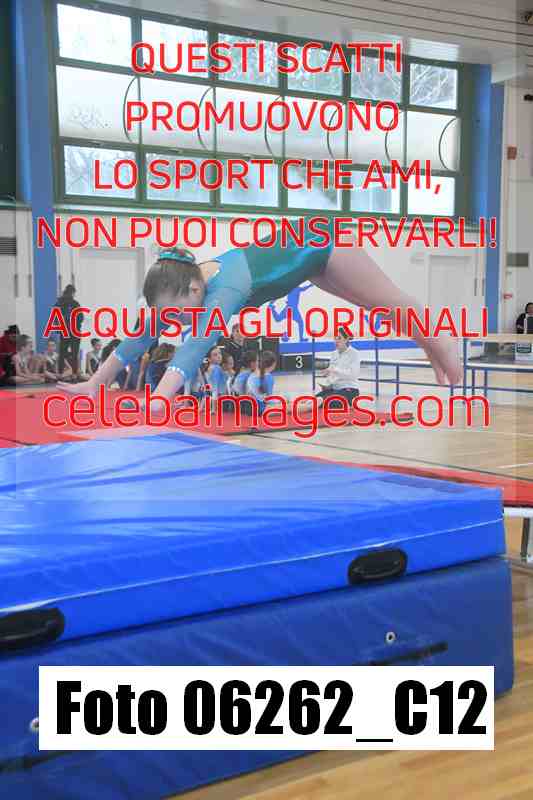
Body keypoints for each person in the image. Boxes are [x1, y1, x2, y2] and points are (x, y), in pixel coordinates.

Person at [58, 225, 462, 410]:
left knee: (388, 301)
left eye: (176, 316)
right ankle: (429, 342)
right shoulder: (185, 286)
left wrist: (161, 400)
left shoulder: (224, 292)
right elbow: (141, 335)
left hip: (326, 244)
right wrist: (94, 384)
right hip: (310, 259)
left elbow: (195, 347)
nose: (173, 323)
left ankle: (439, 340)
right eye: (169, 318)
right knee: (380, 307)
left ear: (195, 291)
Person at [315, 329, 360, 409]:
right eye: (335, 338)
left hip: (349, 390)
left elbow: (353, 375)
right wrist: (328, 384)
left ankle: (347, 403)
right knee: (312, 400)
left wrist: (334, 370)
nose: (336, 341)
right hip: (334, 389)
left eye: (339, 338)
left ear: (346, 339)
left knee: (319, 401)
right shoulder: (334, 354)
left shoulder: (354, 353)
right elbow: (332, 375)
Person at [55, 284, 83, 377]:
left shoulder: (59, 303)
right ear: (73, 293)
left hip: (64, 331)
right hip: (74, 331)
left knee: (62, 353)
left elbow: (55, 317)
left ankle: (60, 373)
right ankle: (74, 374)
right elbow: (81, 317)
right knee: (75, 353)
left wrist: (59, 329)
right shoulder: (75, 303)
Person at [245, 350, 278, 415]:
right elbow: (269, 399)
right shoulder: (269, 377)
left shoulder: (252, 375)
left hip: (250, 408)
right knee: (288, 406)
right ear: (273, 364)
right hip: (262, 409)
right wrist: (278, 402)